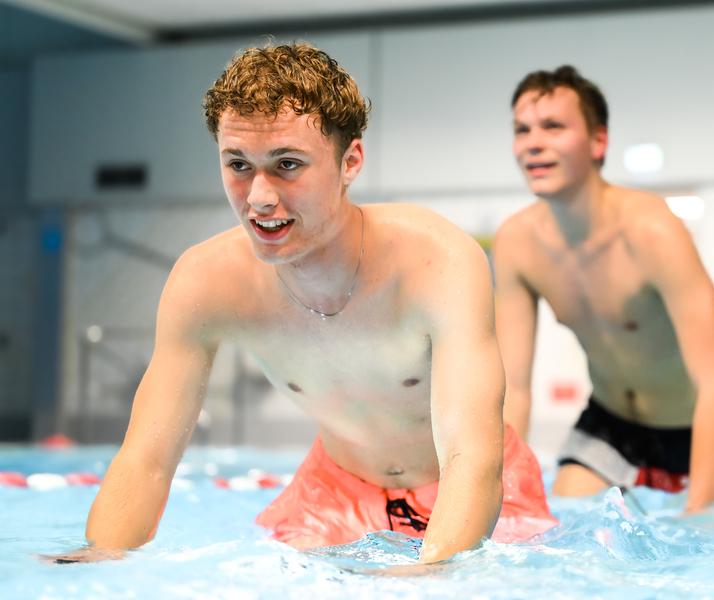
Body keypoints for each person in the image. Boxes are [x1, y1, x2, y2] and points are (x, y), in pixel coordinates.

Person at [51, 43, 555, 564]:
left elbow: (471, 460)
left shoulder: (437, 263)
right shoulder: (206, 281)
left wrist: (427, 574)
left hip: (469, 485)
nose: (260, 197)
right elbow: (147, 459)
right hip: (332, 491)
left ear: (350, 161)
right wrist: (97, 560)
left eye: (287, 165)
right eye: (238, 164)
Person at [493, 65, 714, 513]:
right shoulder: (517, 243)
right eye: (522, 130)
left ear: (599, 142)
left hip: (700, 426)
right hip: (611, 425)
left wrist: (701, 517)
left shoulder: (652, 231)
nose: (533, 142)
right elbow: (513, 390)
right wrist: (499, 495)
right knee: (563, 530)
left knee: (711, 549)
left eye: (553, 126)